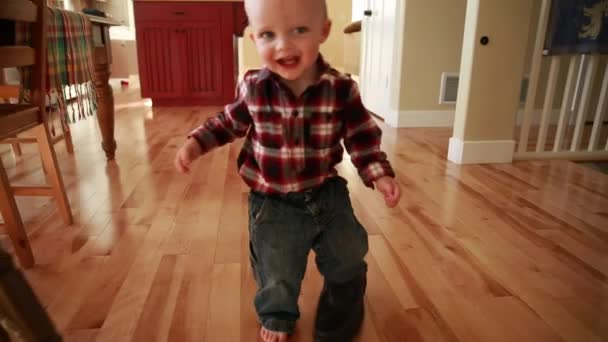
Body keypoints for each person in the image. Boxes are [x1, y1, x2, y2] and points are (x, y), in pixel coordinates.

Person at [174, 0, 401, 340]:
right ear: (254, 39)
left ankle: (341, 310)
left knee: (349, 254)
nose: (284, 45)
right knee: (276, 270)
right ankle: (277, 315)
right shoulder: (253, 87)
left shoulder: (340, 89)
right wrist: (196, 143)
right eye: (268, 34)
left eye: (299, 30)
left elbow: (361, 136)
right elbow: (226, 123)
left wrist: (378, 172)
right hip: (272, 203)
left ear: (323, 30)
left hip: (327, 193)